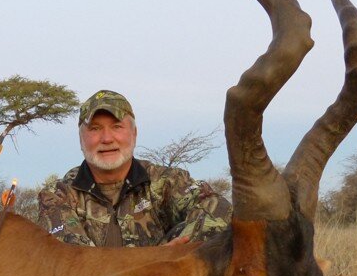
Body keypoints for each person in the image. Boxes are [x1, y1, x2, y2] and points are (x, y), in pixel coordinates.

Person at [38, 89, 231, 247]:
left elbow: (219, 209)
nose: (106, 138)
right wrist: (155, 260)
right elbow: (71, 259)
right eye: (95, 129)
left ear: (134, 134)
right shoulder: (57, 196)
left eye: (116, 127)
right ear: (81, 139)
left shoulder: (167, 181)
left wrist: (175, 256)